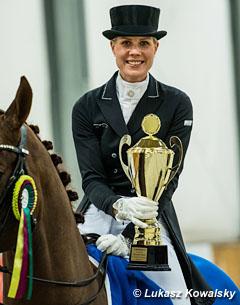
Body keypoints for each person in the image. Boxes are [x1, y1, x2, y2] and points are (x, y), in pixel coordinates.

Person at [72, 5, 214, 305]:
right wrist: (118, 206)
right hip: (99, 211)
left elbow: (169, 180)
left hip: (152, 217)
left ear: (155, 47)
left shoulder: (176, 103)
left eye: (143, 44)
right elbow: (92, 178)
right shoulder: (86, 106)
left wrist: (129, 236)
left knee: (181, 298)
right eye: (126, 43)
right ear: (113, 46)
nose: (134, 52)